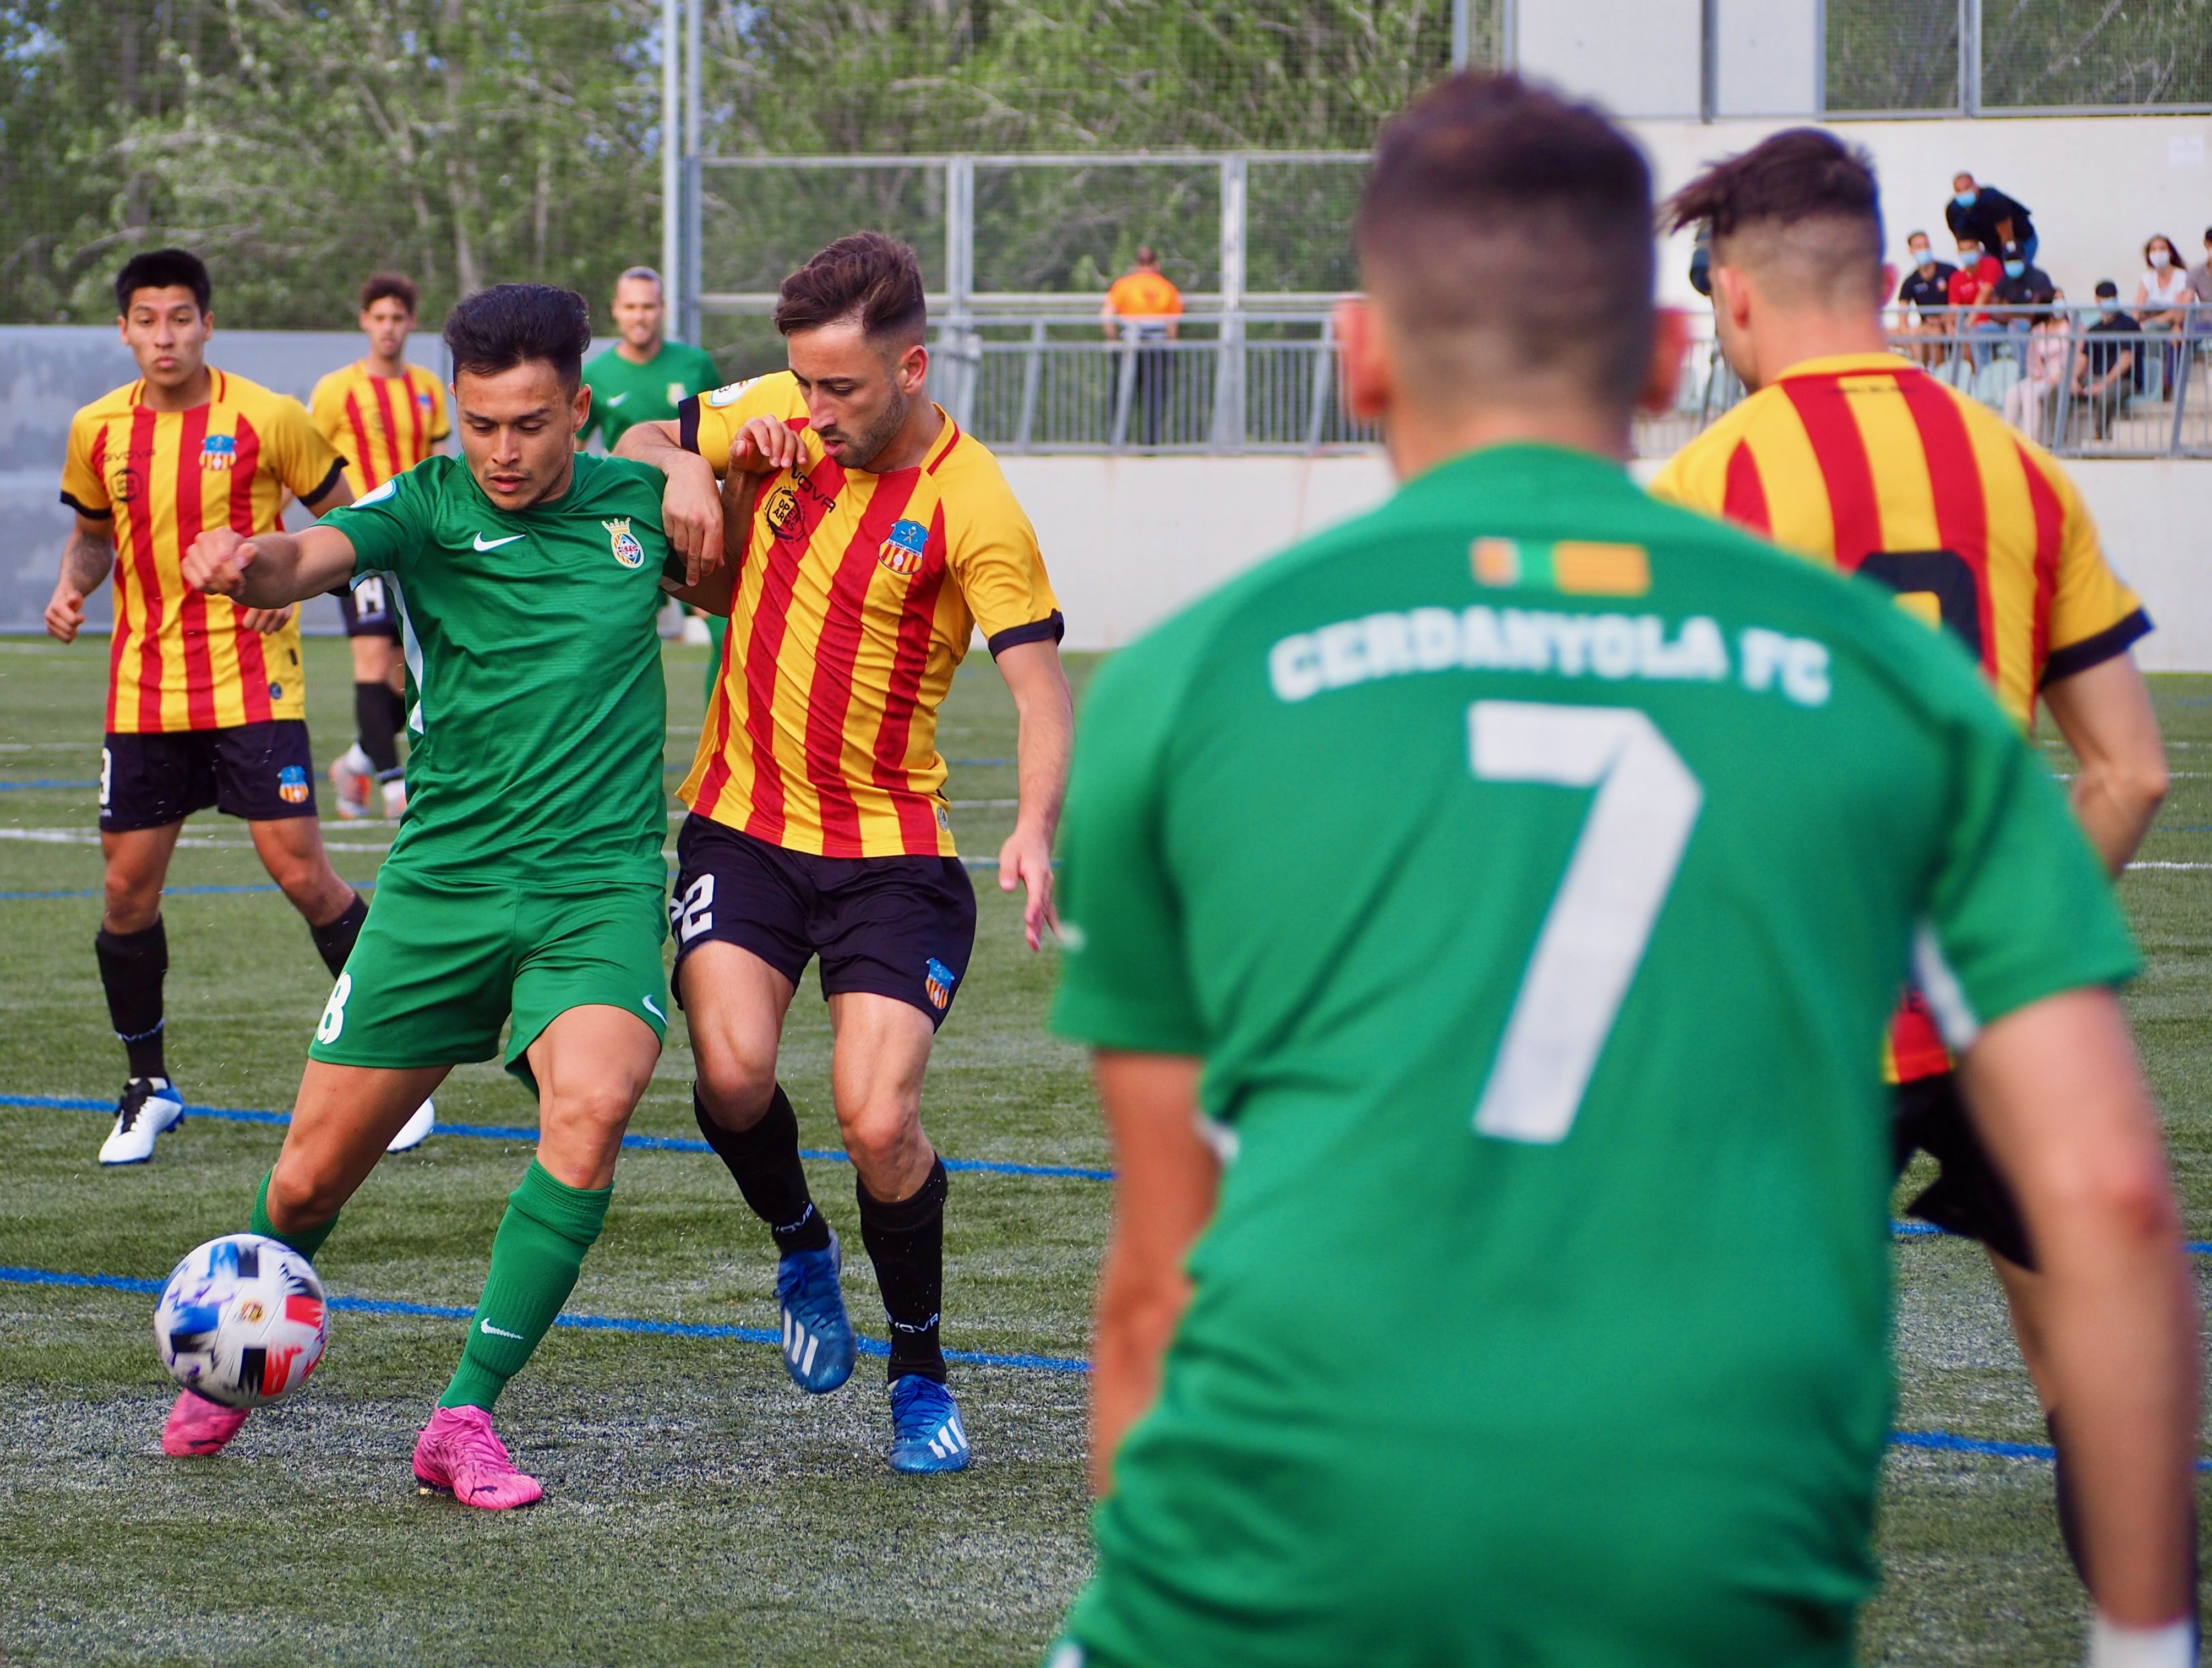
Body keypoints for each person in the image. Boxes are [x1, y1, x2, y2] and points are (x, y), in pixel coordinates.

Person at [1047, 74, 2198, 1668]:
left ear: (1358, 348)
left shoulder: (1183, 683)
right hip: (1716, 1575)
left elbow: (1154, 1284)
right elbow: (2118, 1193)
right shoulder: (1906, 668)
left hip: (1269, 1575)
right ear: (1661, 357)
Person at [1649, 128, 2176, 1608]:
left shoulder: (1701, 483)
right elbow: (2129, 769)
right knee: (2088, 1356)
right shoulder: (2017, 469)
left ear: (1733, 297)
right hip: (1998, 1009)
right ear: (1885, 278)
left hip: (1797, 1019)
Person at [165, 282, 725, 1505]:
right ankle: (223, 1362)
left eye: (528, 423)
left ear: (576, 408)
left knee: (595, 1102)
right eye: (480, 424)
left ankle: (462, 1414)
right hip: (443, 888)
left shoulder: (636, 502)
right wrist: (244, 562)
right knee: (310, 1180)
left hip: (596, 886)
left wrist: (678, 458)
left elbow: (728, 535)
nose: (503, 452)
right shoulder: (424, 501)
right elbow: (310, 556)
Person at [617, 232, 1073, 1475]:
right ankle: (799, 1242)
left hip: (891, 857)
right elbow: (634, 442)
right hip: (743, 826)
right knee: (731, 1076)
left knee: (880, 1121)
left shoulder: (972, 502)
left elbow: (1039, 689)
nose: (813, 413)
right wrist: (687, 475)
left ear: (912, 367)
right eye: (803, 386)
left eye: (842, 392)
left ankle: (918, 1370)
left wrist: (1032, 827)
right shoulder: (773, 412)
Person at [44, 248, 365, 1168]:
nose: (164, 336)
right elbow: (90, 540)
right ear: (125, 331)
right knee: (124, 893)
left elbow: (351, 519)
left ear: (207, 324)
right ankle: (148, 1086)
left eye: (180, 318)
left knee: (302, 873)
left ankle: (392, 1061)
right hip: (143, 692)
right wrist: (72, 590)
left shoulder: (268, 416)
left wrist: (294, 581)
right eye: (147, 320)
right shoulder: (96, 429)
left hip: (252, 679)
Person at [310, 273, 449, 831]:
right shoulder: (335, 391)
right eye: (379, 317)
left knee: (406, 672)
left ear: (411, 323)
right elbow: (308, 470)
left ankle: (358, 763)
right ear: (364, 321)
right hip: (364, 544)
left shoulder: (428, 390)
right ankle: (394, 787)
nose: (389, 328)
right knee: (372, 661)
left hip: (416, 551)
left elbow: (439, 470)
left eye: (399, 318)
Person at [576, 265, 727, 705]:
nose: (640, 316)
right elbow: (574, 450)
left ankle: (718, 743)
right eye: (631, 307)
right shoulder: (597, 374)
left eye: (648, 306)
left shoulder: (695, 365)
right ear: (616, 312)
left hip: (694, 519)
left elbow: (725, 436)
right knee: (608, 639)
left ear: (661, 310)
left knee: (727, 629)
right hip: (625, 526)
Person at [1100, 246, 1183, 445]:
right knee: (1153, 397)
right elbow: (1172, 327)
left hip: (1129, 348)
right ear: (1157, 265)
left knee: (1121, 394)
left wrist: (1115, 341)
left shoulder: (1124, 285)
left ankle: (1115, 439)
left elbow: (1107, 317)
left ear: (1136, 265)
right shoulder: (1167, 288)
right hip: (1156, 350)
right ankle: (1149, 443)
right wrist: (1170, 350)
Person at [2076, 280, 2142, 441]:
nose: (2109, 300)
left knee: (2107, 395)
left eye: (2112, 296)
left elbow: (2126, 360)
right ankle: (2053, 440)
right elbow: (2082, 358)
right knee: (2059, 390)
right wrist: (2072, 379)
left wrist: (2105, 383)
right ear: (2097, 301)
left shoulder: (2129, 325)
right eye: (2105, 297)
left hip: (2124, 381)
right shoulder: (2094, 330)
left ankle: (2100, 436)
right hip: (2097, 378)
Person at [2133, 235, 2195, 395]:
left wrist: (2152, 322)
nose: (2158, 253)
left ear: (2171, 253)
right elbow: (2138, 308)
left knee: (2151, 333)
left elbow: (2178, 311)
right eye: (2154, 249)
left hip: (2174, 323)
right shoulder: (2147, 279)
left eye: (2162, 249)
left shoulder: (2182, 276)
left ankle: (2159, 384)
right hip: (2150, 321)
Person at [2003, 308, 2071, 443]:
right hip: (2040, 375)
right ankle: (2007, 440)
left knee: (2031, 393)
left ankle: (2031, 443)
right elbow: (2032, 358)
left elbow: (2071, 356)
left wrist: (2059, 374)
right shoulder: (2038, 330)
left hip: (2058, 376)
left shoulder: (2070, 328)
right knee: (2013, 392)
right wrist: (2036, 373)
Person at [1893, 230, 1955, 366]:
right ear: (1911, 251)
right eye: (1919, 247)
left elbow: (1959, 302)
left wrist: (1942, 319)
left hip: (1949, 324)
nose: (1924, 249)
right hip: (1927, 326)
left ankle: (1940, 373)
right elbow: (1902, 312)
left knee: (1934, 334)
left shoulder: (1948, 271)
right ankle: (1921, 370)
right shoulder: (1911, 281)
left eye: (1926, 245)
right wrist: (1906, 333)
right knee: (1915, 333)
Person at [1946, 172, 2036, 265]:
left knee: (2016, 271)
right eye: (1959, 191)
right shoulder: (1953, 210)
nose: (1964, 193)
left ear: (1976, 187)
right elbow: (1964, 241)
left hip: (2022, 240)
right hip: (1991, 247)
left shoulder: (1993, 200)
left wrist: (2010, 259)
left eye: (1967, 188)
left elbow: (2007, 236)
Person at [1946, 234, 2002, 370]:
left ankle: (1982, 376)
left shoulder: (1991, 264)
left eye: (1970, 249)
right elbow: (1954, 309)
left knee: (1972, 333)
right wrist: (1951, 326)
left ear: (1979, 250)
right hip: (1971, 327)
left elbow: (1984, 294)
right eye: (1963, 250)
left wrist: (1968, 323)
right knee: (1960, 337)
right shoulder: (1956, 278)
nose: (1967, 253)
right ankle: (1972, 378)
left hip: (1994, 323)